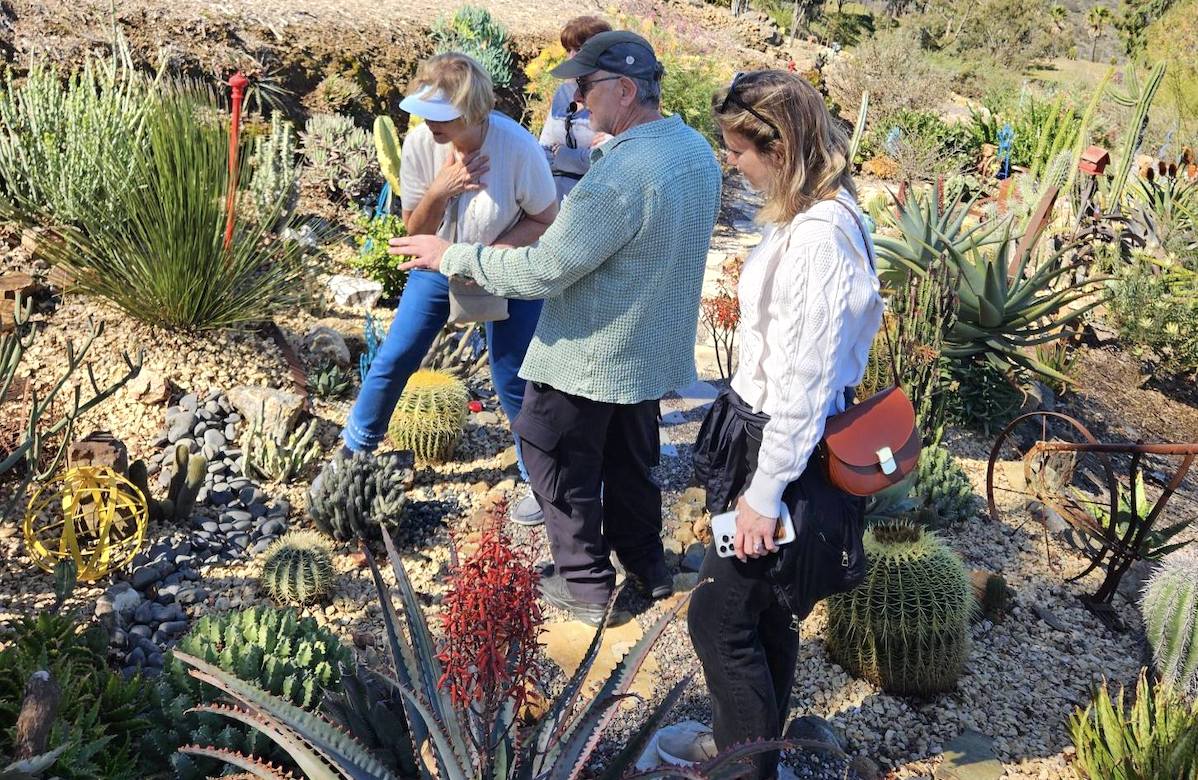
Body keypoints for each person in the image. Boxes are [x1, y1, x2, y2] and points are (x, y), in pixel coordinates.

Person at [391, 31, 723, 626]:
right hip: (649, 350)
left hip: (589, 353)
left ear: (624, 90)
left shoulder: (622, 174)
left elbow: (545, 269)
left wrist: (452, 257)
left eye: (586, 86)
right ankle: (647, 566)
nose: (576, 98)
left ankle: (587, 584)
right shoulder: (694, 150)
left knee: (550, 454)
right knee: (631, 462)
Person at [680, 70, 883, 778]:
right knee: (763, 611)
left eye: (740, 149)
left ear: (782, 145)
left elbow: (805, 381)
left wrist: (763, 494)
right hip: (765, 435)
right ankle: (751, 750)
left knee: (718, 619)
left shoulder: (821, 238)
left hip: (779, 444)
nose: (731, 162)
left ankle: (746, 768)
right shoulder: (815, 213)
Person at [333, 53, 558, 528]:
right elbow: (414, 228)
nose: (428, 121)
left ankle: (538, 480)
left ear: (473, 111)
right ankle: (353, 452)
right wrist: (441, 189)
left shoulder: (517, 148)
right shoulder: (419, 144)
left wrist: (487, 257)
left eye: (441, 114)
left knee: (513, 377)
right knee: (395, 357)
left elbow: (545, 218)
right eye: (424, 110)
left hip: (506, 265)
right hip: (436, 264)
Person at [538, 15, 612, 201]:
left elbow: (607, 160)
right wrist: (580, 157)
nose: (571, 57)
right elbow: (543, 151)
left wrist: (564, 156)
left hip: (596, 200)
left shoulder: (612, 96)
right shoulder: (563, 92)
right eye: (568, 50)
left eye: (578, 49)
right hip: (555, 199)